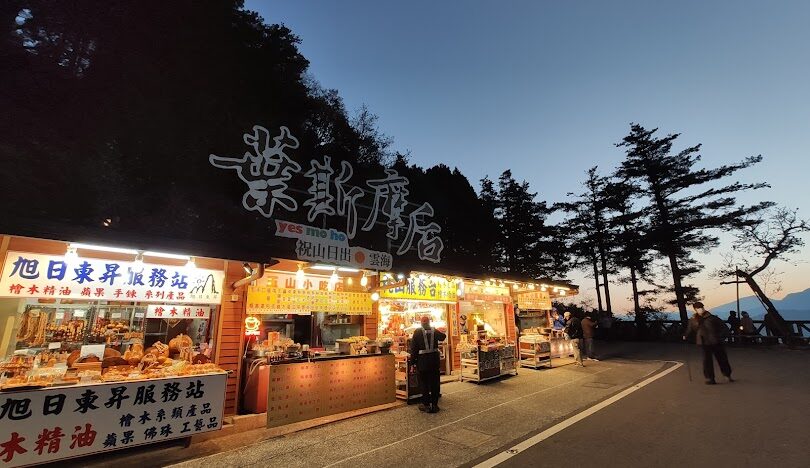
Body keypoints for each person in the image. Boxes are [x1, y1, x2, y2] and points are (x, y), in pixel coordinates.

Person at [683, 302, 733, 385]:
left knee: (722, 359)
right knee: (706, 361)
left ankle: (727, 374)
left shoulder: (713, 318)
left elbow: (724, 328)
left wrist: (720, 337)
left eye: (701, 307)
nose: (700, 309)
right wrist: (686, 335)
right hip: (703, 342)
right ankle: (710, 378)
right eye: (698, 308)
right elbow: (690, 329)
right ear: (695, 309)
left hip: (716, 341)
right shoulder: (693, 319)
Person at [409, 315, 446, 413]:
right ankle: (434, 405)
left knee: (424, 383)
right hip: (434, 361)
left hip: (423, 362)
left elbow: (414, 349)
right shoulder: (434, 330)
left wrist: (412, 363)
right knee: (435, 383)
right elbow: (443, 337)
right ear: (429, 322)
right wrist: (440, 330)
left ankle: (426, 405)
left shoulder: (417, 332)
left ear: (421, 323)